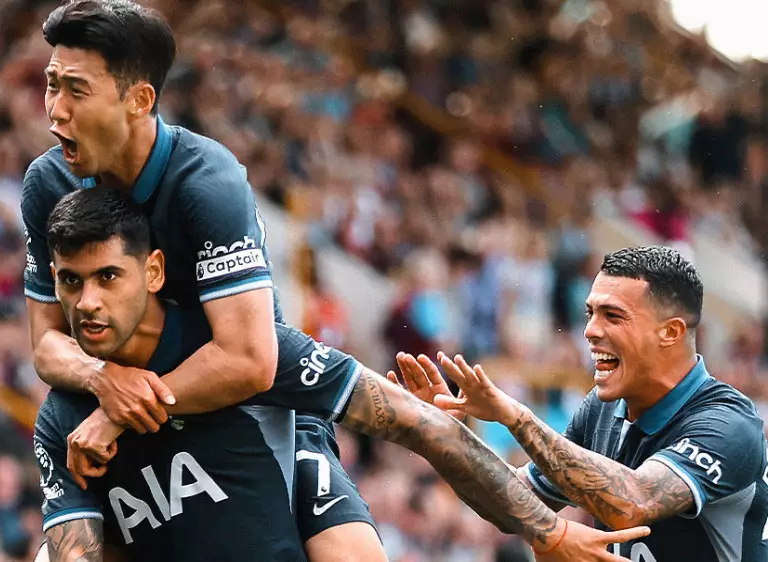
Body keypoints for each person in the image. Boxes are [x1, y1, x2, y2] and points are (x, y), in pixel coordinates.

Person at [33, 187, 649, 561]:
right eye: (70, 282)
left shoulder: (252, 351)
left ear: (154, 271)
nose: (87, 303)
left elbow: (424, 426)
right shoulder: (61, 419)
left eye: (108, 277)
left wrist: (549, 533)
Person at [18, 1, 379, 558]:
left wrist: (118, 409)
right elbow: (45, 342)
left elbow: (249, 361)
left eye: (76, 90)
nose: (54, 111)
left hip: (252, 404)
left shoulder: (206, 182)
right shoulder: (49, 184)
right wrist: (103, 381)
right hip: (132, 421)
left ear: (139, 100)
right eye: (51, 85)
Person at [395, 245, 768, 561]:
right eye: (590, 313)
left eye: (613, 316)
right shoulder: (603, 409)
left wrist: (517, 418)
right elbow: (516, 501)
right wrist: (441, 435)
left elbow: (634, 501)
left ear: (670, 332)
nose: (590, 330)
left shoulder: (728, 425)